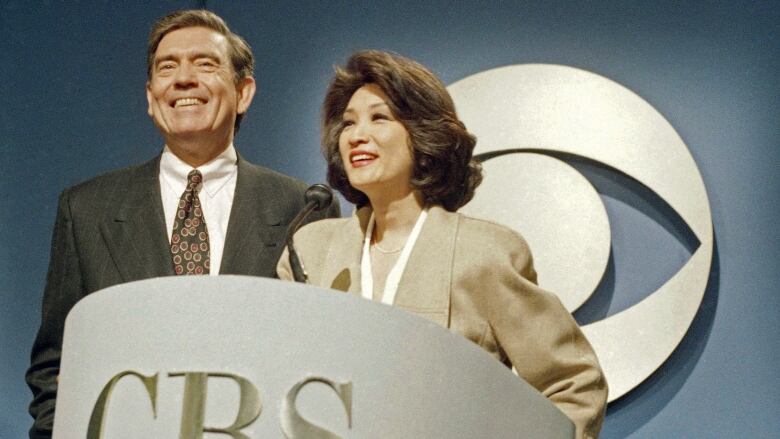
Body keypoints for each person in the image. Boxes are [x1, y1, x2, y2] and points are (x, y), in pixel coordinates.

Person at [25, 10, 338, 438]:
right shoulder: (87, 209)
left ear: (243, 92)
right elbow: (54, 365)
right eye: (166, 67)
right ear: (151, 96)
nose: (183, 79)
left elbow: (321, 362)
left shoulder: (303, 208)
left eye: (205, 64)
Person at [277, 50, 607, 438]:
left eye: (379, 117)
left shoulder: (483, 252)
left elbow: (573, 384)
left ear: (422, 135)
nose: (356, 135)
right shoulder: (310, 251)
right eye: (348, 123)